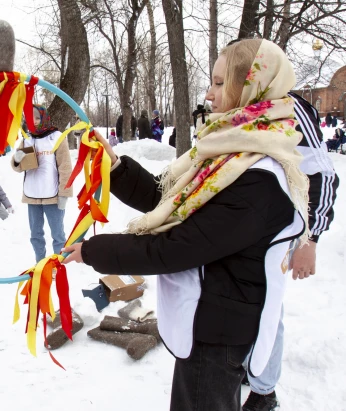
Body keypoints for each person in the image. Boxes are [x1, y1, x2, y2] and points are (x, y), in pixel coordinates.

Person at [62, 39, 309, 410]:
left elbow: (175, 247)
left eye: (220, 82)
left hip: (219, 334)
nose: (209, 94)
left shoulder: (257, 176)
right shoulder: (227, 154)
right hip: (208, 320)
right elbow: (170, 201)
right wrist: (115, 166)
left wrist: (94, 250)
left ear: (250, 87)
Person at [240, 91, 340, 411]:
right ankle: (248, 366)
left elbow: (322, 173)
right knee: (240, 302)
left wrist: (311, 240)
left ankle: (264, 391)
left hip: (277, 229)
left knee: (266, 309)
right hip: (238, 229)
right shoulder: (238, 106)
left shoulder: (288, 105)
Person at [12, 104, 72, 262]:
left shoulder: (57, 137)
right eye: (30, 118)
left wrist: (64, 194)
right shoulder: (27, 139)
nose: (34, 121)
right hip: (32, 194)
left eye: (37, 117)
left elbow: (65, 167)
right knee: (35, 234)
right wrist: (19, 157)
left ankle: (57, 264)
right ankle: (40, 263)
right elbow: (16, 166)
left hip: (52, 196)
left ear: (44, 118)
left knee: (57, 233)